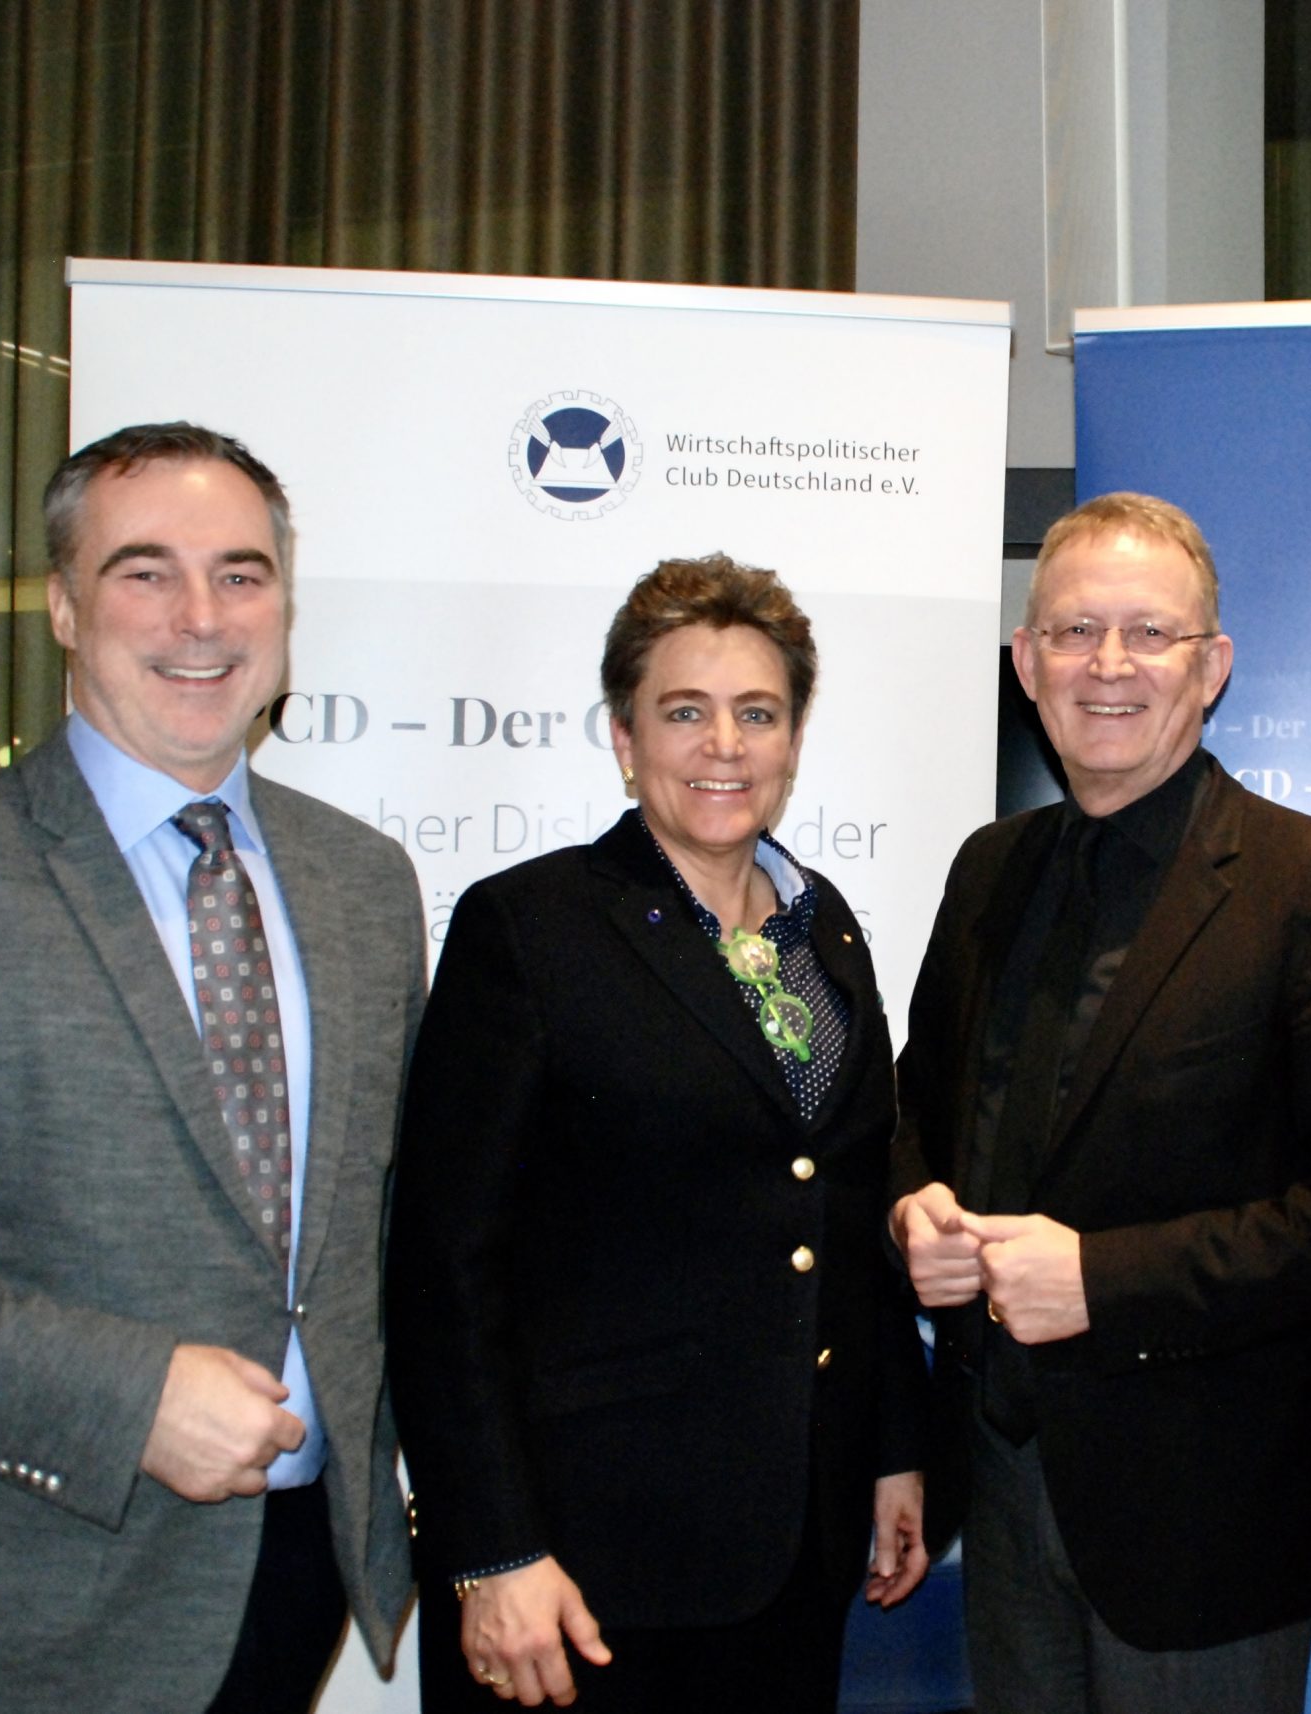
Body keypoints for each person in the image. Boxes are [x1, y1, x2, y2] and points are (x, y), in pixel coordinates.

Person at [0, 422, 426, 1712]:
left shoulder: (362, 884)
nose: (201, 617)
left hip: (285, 1582)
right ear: (61, 604)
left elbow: (381, 1224)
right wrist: (129, 1395)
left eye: (241, 573)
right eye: (144, 571)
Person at [889, 493, 1311, 1714]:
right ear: (1026, 661)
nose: (1109, 665)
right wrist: (909, 1210)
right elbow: (916, 1114)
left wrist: (1103, 1280)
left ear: (1211, 665)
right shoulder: (986, 869)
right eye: (1074, 631)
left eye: (1149, 633)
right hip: (998, 1486)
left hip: (1209, 1520)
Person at [387, 555, 929, 1711]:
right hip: (585, 1560)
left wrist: (891, 1448)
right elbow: (443, 1269)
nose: (723, 744)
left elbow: (843, 1205)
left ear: (793, 740)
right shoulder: (528, 929)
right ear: (625, 738)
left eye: (757, 713)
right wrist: (491, 1547)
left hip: (798, 1539)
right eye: (684, 711)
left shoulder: (824, 934)